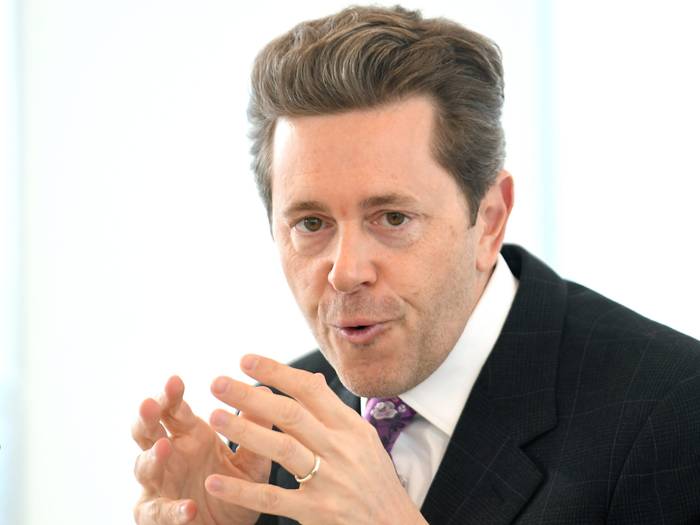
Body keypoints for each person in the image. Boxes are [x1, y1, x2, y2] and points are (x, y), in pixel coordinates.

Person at [131, 5, 700, 524]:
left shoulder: (674, 410)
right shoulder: (275, 431)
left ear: (490, 219)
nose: (345, 271)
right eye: (311, 223)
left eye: (393, 218)